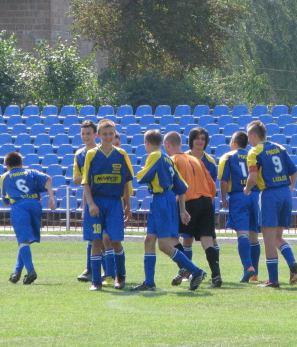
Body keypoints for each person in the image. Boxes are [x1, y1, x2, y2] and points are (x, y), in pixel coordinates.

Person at [130, 130, 208, 291]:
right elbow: (181, 186)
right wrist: (182, 210)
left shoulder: (155, 156)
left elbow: (141, 177)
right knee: (149, 241)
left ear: (147, 143)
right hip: (165, 200)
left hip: (162, 200)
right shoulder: (167, 158)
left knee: (164, 245)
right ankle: (149, 282)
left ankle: (196, 271)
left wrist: (139, 171)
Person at [244, 121, 297, 288]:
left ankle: (273, 279)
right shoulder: (280, 148)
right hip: (284, 193)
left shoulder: (254, 152)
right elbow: (294, 171)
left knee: (268, 239)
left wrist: (247, 189)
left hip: (269, 194)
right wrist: (289, 187)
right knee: (278, 237)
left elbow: (253, 178)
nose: (248, 140)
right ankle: (292, 263)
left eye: (249, 136)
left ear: (254, 135)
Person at [82, 119, 134, 291]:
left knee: (116, 241)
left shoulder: (121, 154)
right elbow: (85, 183)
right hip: (96, 202)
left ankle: (121, 277)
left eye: (111, 133)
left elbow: (126, 183)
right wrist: (90, 204)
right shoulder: (91, 155)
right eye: (104, 134)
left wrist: (128, 205)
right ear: (99, 135)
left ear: (115, 134)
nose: (108, 136)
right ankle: (96, 281)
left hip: (114, 203)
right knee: (96, 241)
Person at [164, 131, 221, 288]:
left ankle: (188, 269)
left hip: (188, 201)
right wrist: (208, 202)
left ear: (167, 145)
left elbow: (170, 184)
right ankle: (216, 276)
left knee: (172, 238)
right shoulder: (195, 160)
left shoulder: (172, 160)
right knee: (207, 241)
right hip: (206, 201)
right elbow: (212, 185)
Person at [2, 151, 55, 285]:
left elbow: (5, 200)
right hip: (35, 204)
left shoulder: (5, 177)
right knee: (26, 240)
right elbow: (48, 179)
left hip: (19, 206)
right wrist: (51, 198)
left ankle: (31, 270)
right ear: (21, 163)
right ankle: (16, 272)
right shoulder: (31, 172)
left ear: (7, 165)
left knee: (23, 241)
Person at [73, 120, 114, 285]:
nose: (85, 137)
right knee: (93, 237)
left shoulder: (102, 151)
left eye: (88, 133)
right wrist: (87, 177)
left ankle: (109, 271)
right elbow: (77, 179)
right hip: (90, 198)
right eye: (83, 134)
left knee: (105, 238)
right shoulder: (80, 154)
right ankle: (94, 269)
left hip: (105, 199)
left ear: (95, 135)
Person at [218, 131, 261, 283]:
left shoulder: (228, 156)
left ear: (234, 142)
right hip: (255, 195)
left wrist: (223, 198)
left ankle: (248, 267)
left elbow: (224, 179)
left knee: (242, 234)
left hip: (238, 195)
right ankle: (255, 273)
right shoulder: (252, 154)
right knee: (254, 234)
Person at [183, 127, 220, 266]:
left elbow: (211, 185)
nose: (200, 141)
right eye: (197, 138)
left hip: (204, 204)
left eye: (203, 139)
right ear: (191, 140)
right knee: (187, 239)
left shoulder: (210, 162)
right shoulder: (183, 157)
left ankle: (216, 270)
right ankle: (188, 270)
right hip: (188, 203)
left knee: (211, 239)